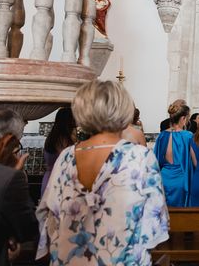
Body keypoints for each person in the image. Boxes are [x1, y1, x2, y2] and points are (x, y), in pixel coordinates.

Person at [36, 81, 168, 265]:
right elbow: (154, 227)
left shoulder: (66, 157)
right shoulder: (139, 157)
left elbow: (50, 218)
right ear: (123, 109)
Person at [0, 109, 38, 266]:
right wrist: (16, 176)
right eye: (15, 145)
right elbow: (28, 229)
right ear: (7, 140)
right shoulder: (8, 179)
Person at [154, 99, 195, 206]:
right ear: (183, 118)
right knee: (181, 217)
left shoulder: (162, 135)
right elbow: (194, 160)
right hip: (181, 180)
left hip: (164, 179)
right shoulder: (188, 136)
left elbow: (155, 160)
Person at [41, 107, 76, 196]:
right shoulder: (64, 139)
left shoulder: (52, 136)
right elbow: (67, 160)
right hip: (58, 178)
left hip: (48, 177)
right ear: (70, 120)